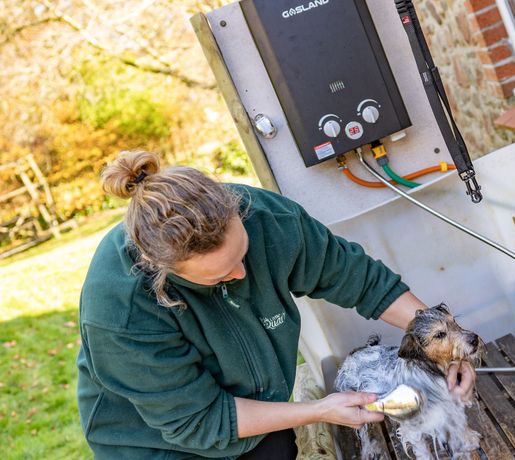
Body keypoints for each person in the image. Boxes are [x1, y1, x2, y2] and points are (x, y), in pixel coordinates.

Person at [76, 150, 476, 459]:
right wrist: (319, 410)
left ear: (236, 211)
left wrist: (444, 346)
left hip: (258, 417)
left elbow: (359, 279)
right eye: (219, 275)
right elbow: (199, 421)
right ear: (163, 271)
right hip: (158, 446)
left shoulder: (267, 218)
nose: (241, 276)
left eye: (242, 255)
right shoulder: (121, 309)